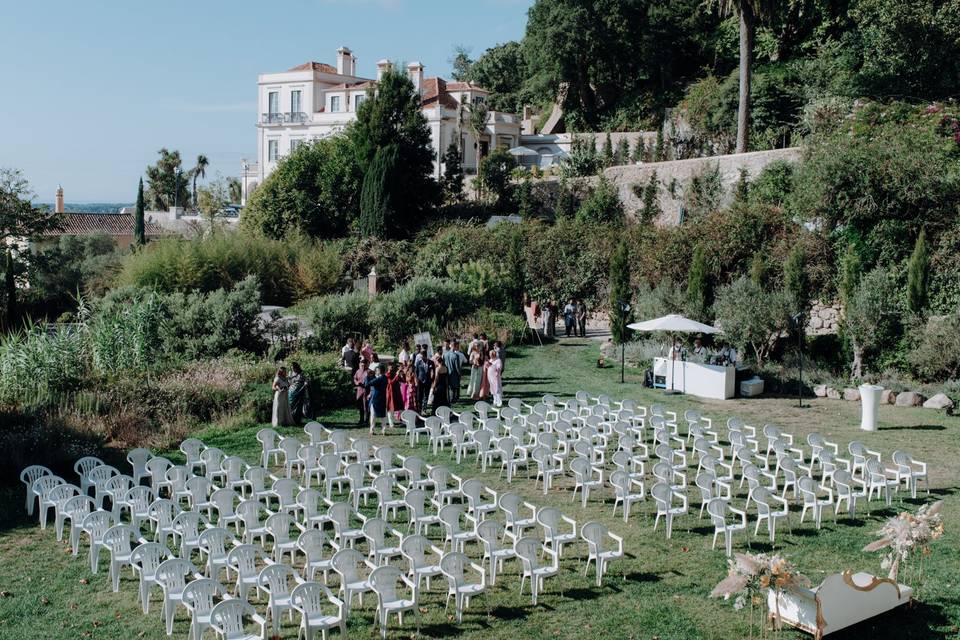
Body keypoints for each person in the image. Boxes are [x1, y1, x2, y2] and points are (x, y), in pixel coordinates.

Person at [365, 363, 389, 435]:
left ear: (380, 371)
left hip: (376, 398)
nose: (376, 371)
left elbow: (368, 384)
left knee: (373, 415)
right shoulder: (385, 378)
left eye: (377, 370)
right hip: (383, 398)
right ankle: (383, 430)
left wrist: (368, 376)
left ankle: (372, 430)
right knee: (383, 415)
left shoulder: (379, 378)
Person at [443, 340, 462, 404]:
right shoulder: (455, 355)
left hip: (447, 373)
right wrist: (459, 374)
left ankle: (449, 399)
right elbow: (457, 367)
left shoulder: (445, 354)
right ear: (455, 346)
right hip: (454, 373)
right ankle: (453, 399)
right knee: (454, 387)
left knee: (449, 387)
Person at [415, 346, 432, 412]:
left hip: (427, 381)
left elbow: (432, 371)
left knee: (426, 395)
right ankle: (419, 408)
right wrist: (416, 380)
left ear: (425, 356)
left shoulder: (430, 362)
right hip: (420, 381)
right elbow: (416, 372)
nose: (421, 357)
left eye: (422, 356)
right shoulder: (418, 363)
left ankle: (424, 409)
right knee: (420, 395)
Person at [354, 357, 370, 426]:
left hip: (366, 390)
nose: (363, 366)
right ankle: (361, 419)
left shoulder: (369, 372)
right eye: (362, 364)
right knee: (360, 405)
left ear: (367, 364)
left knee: (366, 406)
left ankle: (366, 420)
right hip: (359, 390)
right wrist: (356, 382)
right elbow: (355, 378)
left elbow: (372, 381)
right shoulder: (358, 371)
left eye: (364, 365)